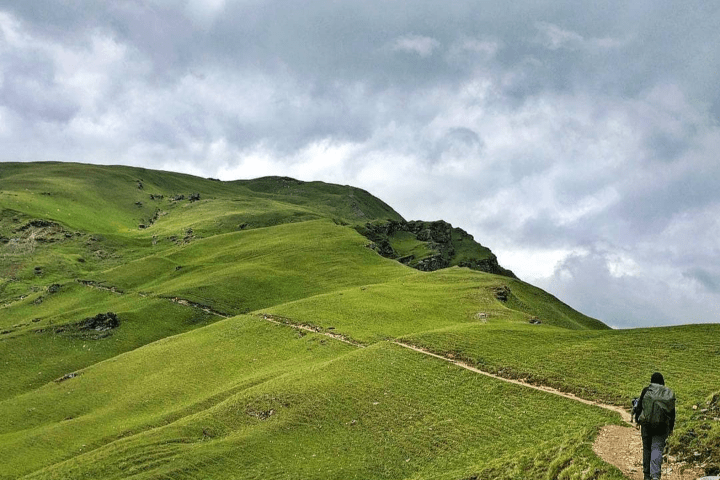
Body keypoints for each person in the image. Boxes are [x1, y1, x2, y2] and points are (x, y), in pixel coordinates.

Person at [634, 372, 676, 480]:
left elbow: (639, 407)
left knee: (647, 449)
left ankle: (647, 476)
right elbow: (672, 413)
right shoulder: (667, 394)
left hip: (646, 425)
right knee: (657, 449)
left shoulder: (646, 390)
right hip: (662, 426)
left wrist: (637, 420)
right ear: (662, 381)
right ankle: (655, 476)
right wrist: (671, 428)